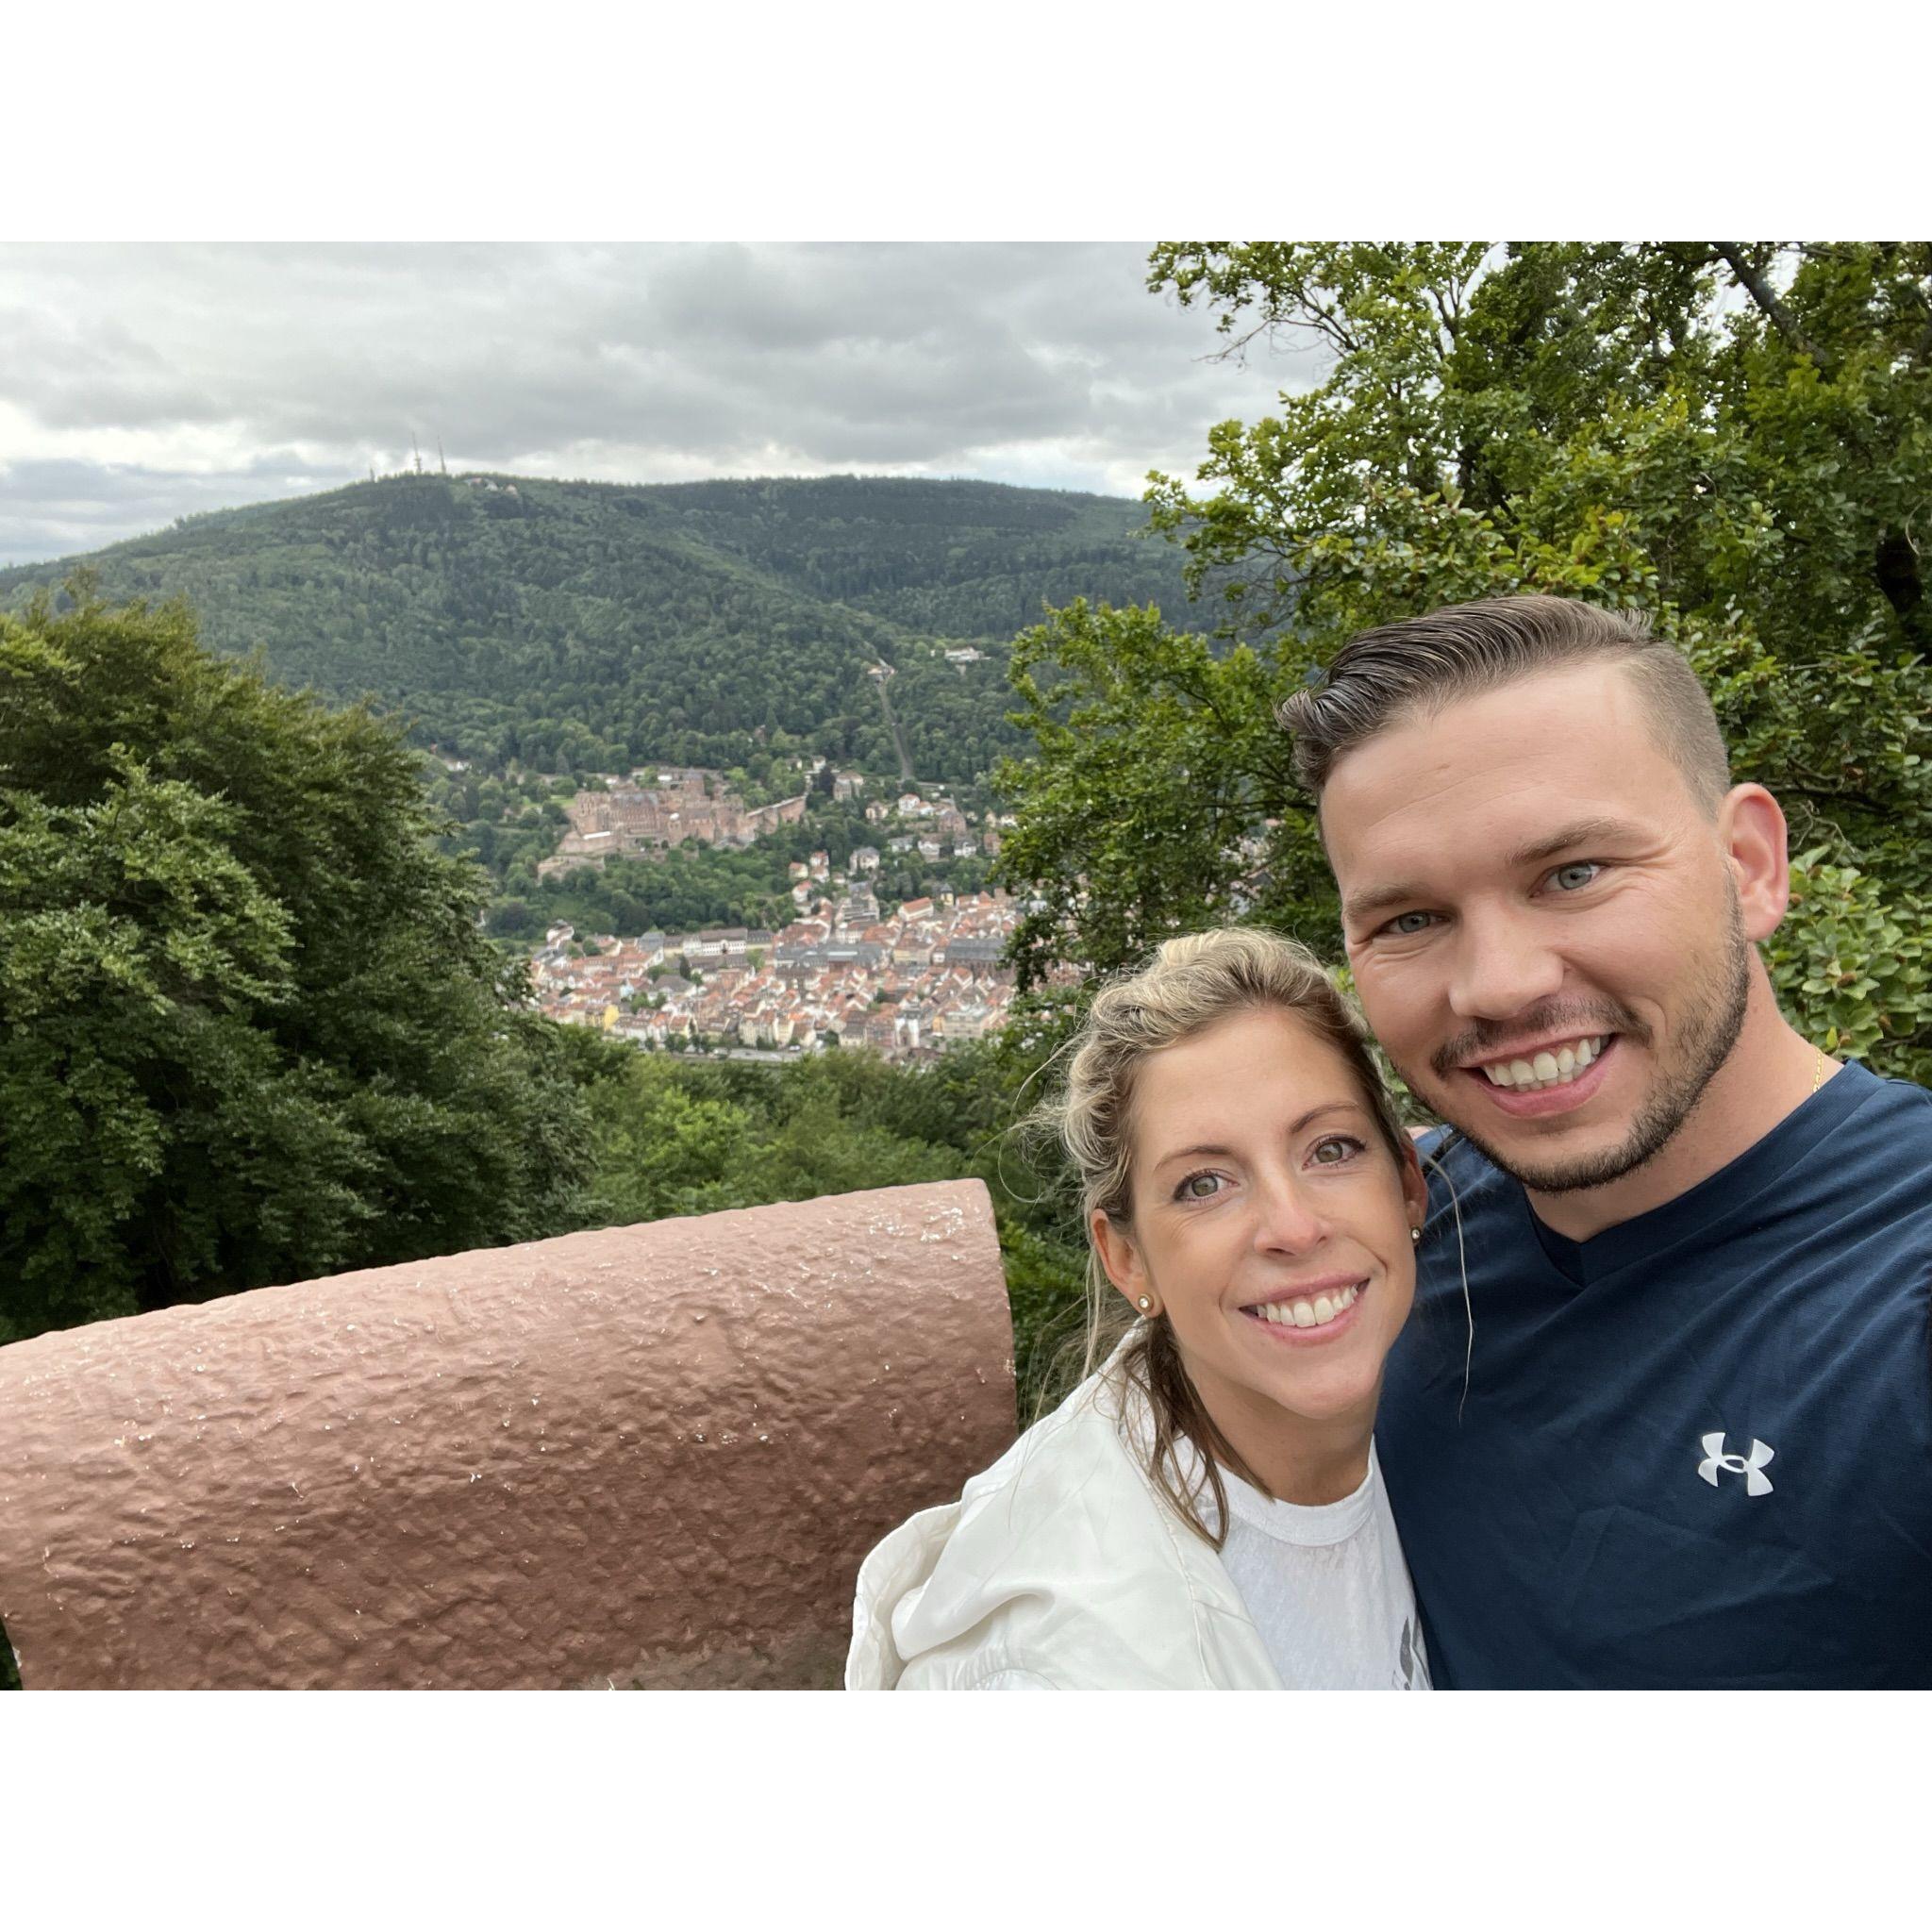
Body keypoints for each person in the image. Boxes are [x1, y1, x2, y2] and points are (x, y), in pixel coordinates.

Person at [1278, 593, 1932, 1689]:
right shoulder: (1379, 1237)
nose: (1496, 982)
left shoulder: (1895, 1289)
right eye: (1407, 920)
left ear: (1749, 866)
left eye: (1571, 873)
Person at [845, 927, 1434, 1690]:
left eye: (1331, 1149)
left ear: (1409, 1181)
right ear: (1126, 1258)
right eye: (1204, 1184)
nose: (1293, 1226)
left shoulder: (1433, 1414)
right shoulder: (1060, 1668)